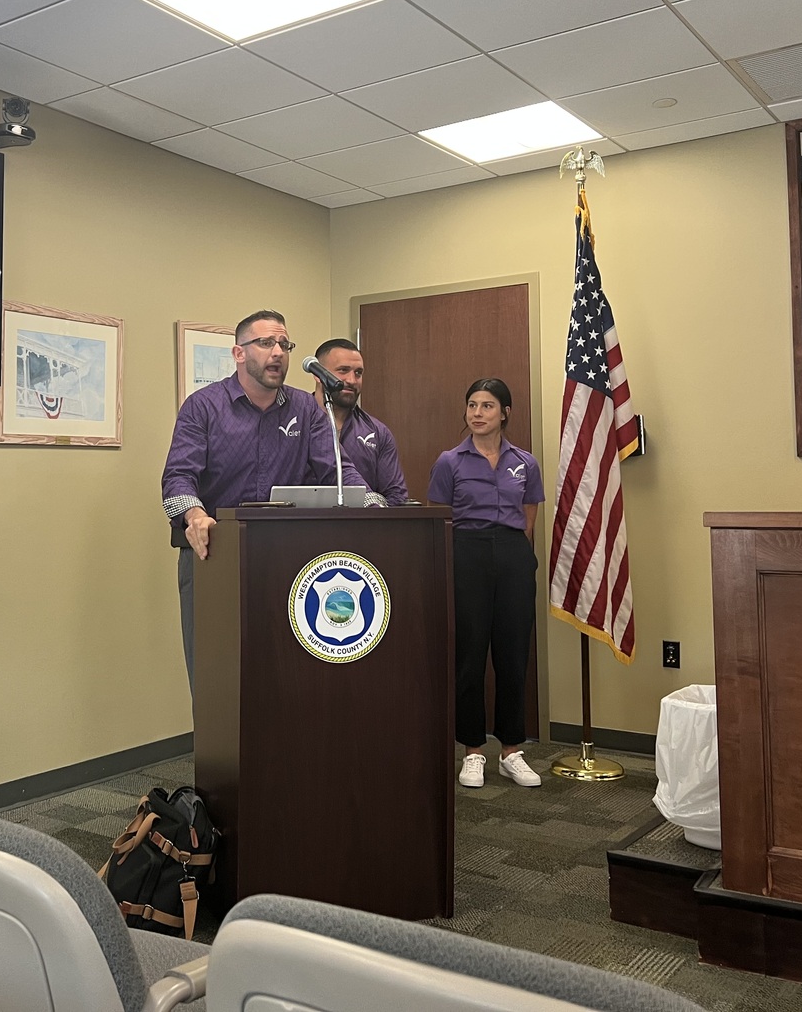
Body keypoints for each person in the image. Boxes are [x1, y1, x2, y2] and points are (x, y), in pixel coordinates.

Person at [162, 311, 380, 691]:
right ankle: (219, 753)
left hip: (284, 556)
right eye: (266, 343)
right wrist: (193, 513)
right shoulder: (204, 407)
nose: (277, 352)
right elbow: (178, 476)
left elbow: (337, 472)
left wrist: (377, 507)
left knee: (282, 671)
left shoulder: (306, 408)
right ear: (239, 353)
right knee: (216, 675)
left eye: (284, 345)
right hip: (214, 556)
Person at [427, 378, 545, 790]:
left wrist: (514, 556)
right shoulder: (450, 462)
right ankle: (473, 750)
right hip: (466, 554)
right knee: (470, 656)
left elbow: (528, 516)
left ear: (505, 413)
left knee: (513, 654)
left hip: (512, 554)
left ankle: (512, 750)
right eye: (472, 405)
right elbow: (440, 518)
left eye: (488, 406)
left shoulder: (525, 463)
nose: (477, 413)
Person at [307, 338, 410, 505]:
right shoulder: (296, 423)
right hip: (299, 526)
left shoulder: (377, 432)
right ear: (317, 374)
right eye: (343, 370)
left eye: (358, 373)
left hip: (360, 527)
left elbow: (396, 497)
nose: (352, 380)